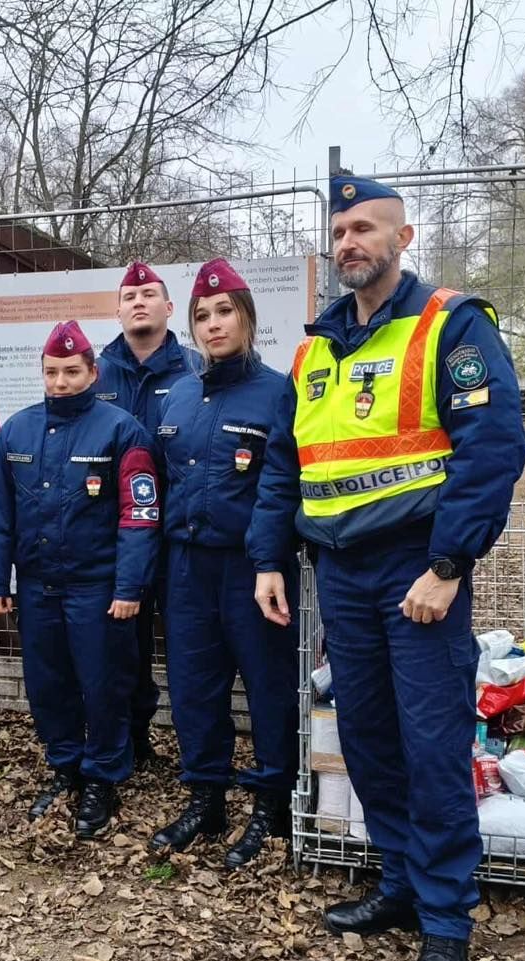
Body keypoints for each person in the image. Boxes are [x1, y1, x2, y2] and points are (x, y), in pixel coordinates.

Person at [248, 175, 525, 961]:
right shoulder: (314, 350)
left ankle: (445, 921)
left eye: (364, 228)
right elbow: (283, 465)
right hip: (339, 571)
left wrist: (447, 567)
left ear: (401, 239)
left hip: (418, 569)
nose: (348, 243)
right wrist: (268, 558)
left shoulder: (449, 323)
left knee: (431, 746)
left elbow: (491, 448)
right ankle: (401, 885)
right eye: (339, 231)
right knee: (368, 739)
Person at [0, 320, 161, 838]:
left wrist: (130, 586)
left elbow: (139, 514)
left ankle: (102, 776)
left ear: (92, 373)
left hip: (97, 589)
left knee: (104, 686)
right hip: (38, 587)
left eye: (72, 372)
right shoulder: (17, 432)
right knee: (48, 685)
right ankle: (66, 768)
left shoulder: (123, 431)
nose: (60, 382)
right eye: (52, 372)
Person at [149, 258, 299, 869]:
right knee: (193, 687)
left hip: (253, 569)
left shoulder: (279, 392)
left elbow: (282, 486)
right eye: (202, 315)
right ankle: (205, 798)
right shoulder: (180, 395)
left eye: (225, 312)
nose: (213, 324)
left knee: (267, 688)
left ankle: (271, 804)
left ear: (248, 319)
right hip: (186, 567)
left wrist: (268, 558)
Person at [95, 262, 200, 767]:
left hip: (181, 534)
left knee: (188, 645)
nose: (139, 302)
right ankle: (133, 741)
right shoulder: (95, 373)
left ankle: (197, 754)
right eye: (130, 296)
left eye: (149, 294)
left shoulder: (197, 369)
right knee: (122, 646)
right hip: (116, 538)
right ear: (117, 311)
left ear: (169, 307)